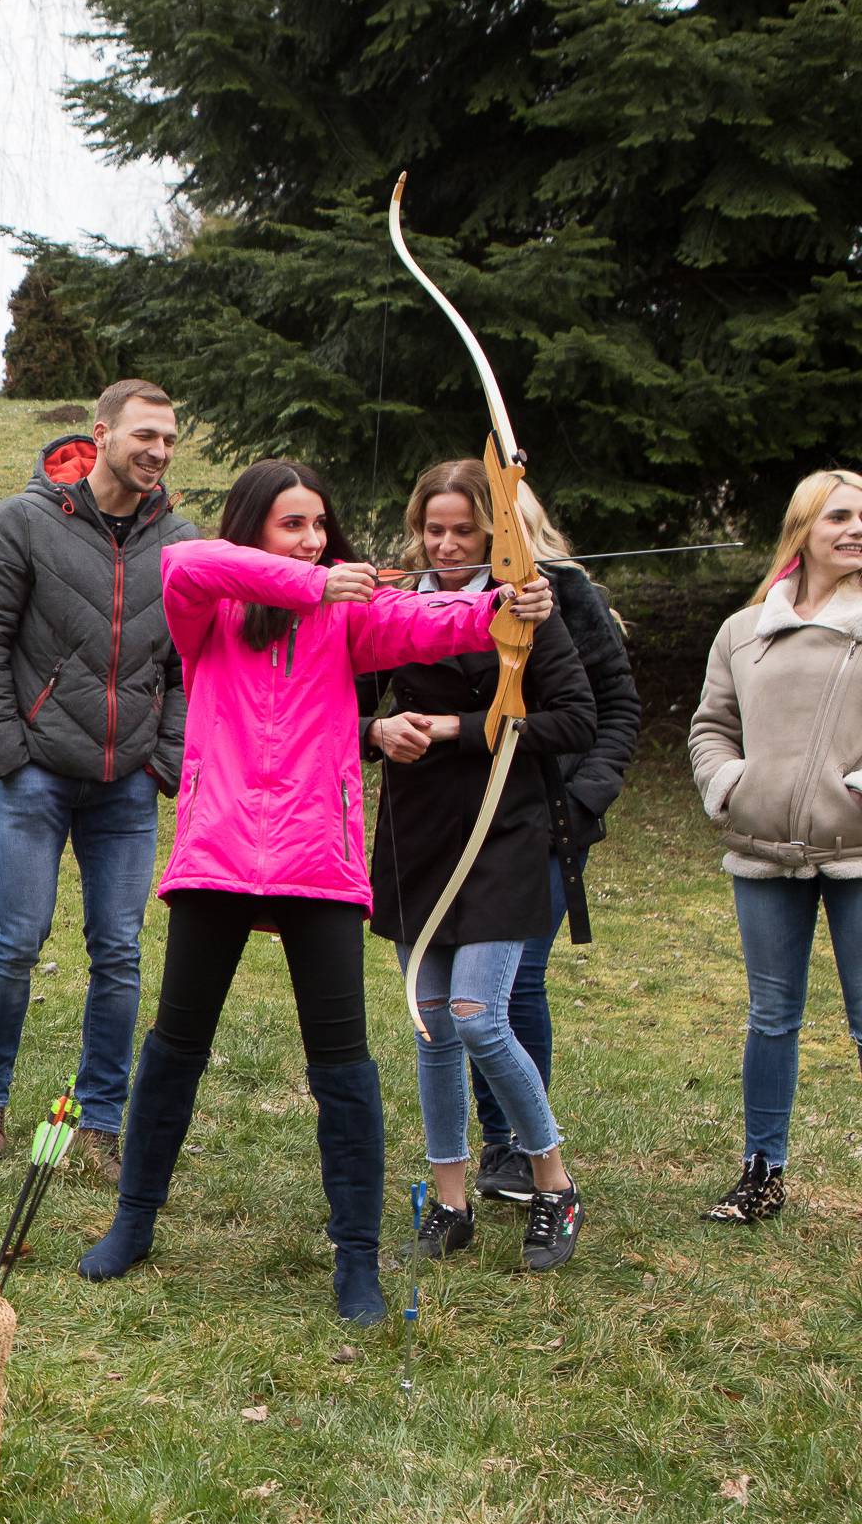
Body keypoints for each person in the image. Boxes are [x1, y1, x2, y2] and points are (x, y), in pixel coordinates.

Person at [75, 456, 556, 1321]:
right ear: (255, 529)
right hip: (219, 854)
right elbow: (185, 563)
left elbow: (428, 620)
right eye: (291, 524)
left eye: (319, 526)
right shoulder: (211, 611)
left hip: (315, 860)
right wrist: (313, 582)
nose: (311, 538)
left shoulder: (349, 619)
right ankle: (134, 1221)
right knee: (174, 1050)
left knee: (342, 1067)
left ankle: (356, 1260)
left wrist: (500, 607)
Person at [0, 380, 198, 1178]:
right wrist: (9, 756)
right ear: (101, 433)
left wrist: (165, 756)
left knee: (119, 954)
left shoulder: (183, 543)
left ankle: (99, 1120)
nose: (157, 452)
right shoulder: (20, 524)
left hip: (127, 786)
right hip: (36, 777)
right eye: (144, 436)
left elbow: (195, 662)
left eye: (168, 440)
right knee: (17, 942)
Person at [362, 460, 598, 1274]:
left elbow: (575, 718)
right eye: (436, 529)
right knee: (431, 1024)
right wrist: (378, 732)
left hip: (504, 838)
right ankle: (451, 1200)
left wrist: (465, 729)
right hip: (417, 841)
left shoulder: (529, 608)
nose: (449, 543)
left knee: (475, 1015)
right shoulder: (395, 609)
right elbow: (338, 698)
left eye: (466, 530)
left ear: (495, 537)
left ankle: (552, 1183)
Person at [688, 469, 862, 1225]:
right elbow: (709, 726)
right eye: (841, 518)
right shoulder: (743, 630)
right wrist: (731, 784)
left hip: (858, 852)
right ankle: (762, 1173)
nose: (855, 530)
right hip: (762, 854)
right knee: (771, 1017)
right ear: (803, 530)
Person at [463, 481, 640, 1204]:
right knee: (464, 989)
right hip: (463, 820)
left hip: (546, 821)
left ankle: (514, 1149)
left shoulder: (563, 591)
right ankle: (498, 1142)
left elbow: (616, 709)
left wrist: (581, 796)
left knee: (509, 987)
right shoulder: (446, 593)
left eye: (480, 525)